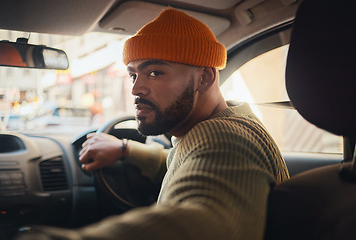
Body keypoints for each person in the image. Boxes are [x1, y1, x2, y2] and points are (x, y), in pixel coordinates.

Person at [17, 8, 289, 240]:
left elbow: (205, 221)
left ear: (205, 78)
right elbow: (182, 162)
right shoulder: (219, 125)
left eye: (155, 72)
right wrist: (126, 150)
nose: (137, 89)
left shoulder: (223, 137)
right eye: (133, 74)